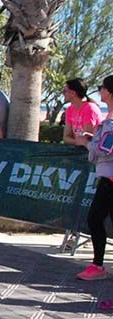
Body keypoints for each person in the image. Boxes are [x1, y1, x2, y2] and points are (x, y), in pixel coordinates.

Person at [78, 75, 113, 281]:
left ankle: (98, 265)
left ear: (108, 91)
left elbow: (105, 150)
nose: (99, 91)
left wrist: (85, 142)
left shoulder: (111, 120)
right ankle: (98, 264)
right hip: (107, 177)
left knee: (94, 218)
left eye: (101, 87)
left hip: (110, 179)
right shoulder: (108, 117)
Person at [62, 78, 101, 146]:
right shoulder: (70, 110)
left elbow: (87, 138)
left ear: (73, 93)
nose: (63, 94)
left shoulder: (89, 109)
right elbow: (66, 138)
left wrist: (77, 141)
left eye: (65, 91)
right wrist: (77, 142)